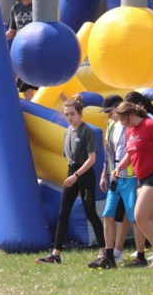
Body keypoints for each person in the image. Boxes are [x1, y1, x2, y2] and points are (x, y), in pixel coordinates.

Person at [36, 95, 106, 266]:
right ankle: (56, 254)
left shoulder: (86, 131)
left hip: (84, 175)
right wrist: (70, 175)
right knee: (63, 213)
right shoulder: (67, 132)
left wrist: (77, 176)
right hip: (72, 172)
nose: (69, 117)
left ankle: (105, 252)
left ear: (80, 114)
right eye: (66, 114)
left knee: (91, 213)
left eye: (72, 114)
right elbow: (68, 158)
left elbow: (92, 159)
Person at [114, 100, 153, 269]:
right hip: (142, 178)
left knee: (140, 216)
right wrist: (119, 168)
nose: (120, 122)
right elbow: (131, 153)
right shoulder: (129, 131)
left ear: (129, 115)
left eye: (121, 118)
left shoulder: (151, 125)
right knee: (148, 218)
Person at [94, 94, 145, 269]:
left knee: (134, 217)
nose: (108, 114)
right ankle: (109, 256)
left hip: (130, 177)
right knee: (108, 214)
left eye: (110, 111)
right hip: (114, 176)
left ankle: (141, 255)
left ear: (118, 108)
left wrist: (138, 177)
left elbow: (135, 152)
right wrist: (104, 174)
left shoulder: (130, 127)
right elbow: (109, 152)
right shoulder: (110, 127)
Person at [5, 0, 37, 100]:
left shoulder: (39, 5)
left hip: (37, 48)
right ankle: (34, 110)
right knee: (25, 84)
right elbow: (12, 32)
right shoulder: (15, 8)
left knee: (46, 81)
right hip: (22, 52)